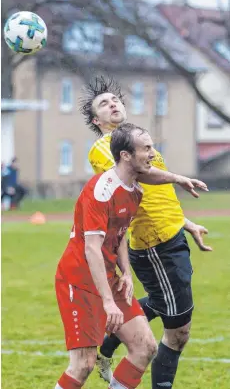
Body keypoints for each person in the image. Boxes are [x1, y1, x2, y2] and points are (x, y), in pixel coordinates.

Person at [80, 76, 212, 389]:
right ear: (96, 120)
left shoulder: (138, 142)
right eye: (104, 104)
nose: (113, 104)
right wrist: (179, 176)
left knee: (161, 301)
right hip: (154, 244)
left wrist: (185, 223)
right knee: (177, 332)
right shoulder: (104, 148)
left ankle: (107, 344)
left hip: (169, 235)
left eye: (115, 100)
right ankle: (111, 346)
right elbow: (143, 174)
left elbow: (157, 196)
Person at [55, 123, 160, 389]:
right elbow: (92, 248)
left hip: (108, 277)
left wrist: (126, 273)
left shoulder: (136, 190)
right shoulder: (101, 189)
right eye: (146, 148)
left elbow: (120, 234)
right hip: (79, 279)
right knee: (83, 364)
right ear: (126, 155)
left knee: (144, 348)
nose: (153, 154)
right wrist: (108, 302)